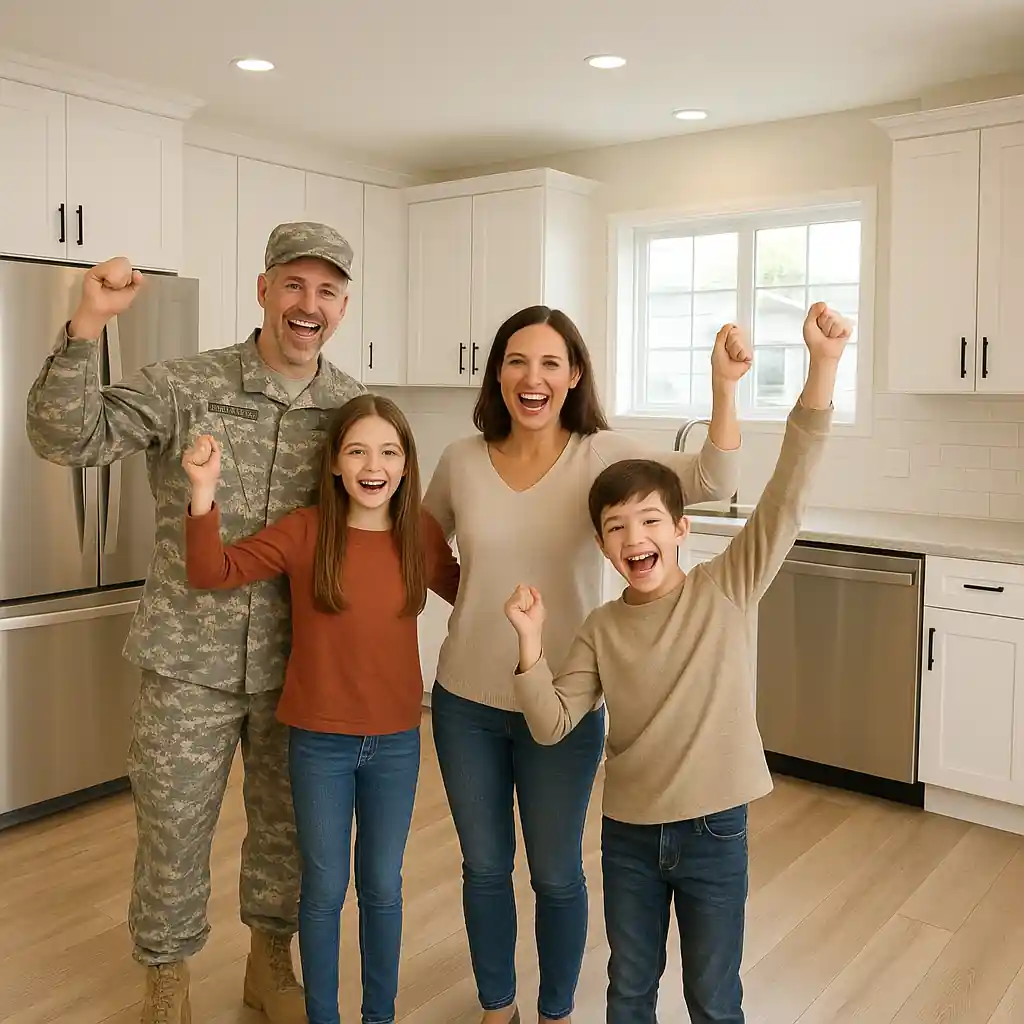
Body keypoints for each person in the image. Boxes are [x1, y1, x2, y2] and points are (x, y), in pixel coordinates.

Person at [25, 222, 365, 1024]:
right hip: (187, 660)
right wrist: (87, 328)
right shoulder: (185, 384)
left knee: (288, 831)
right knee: (173, 829)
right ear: (263, 290)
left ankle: (268, 967)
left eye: (325, 292)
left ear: (343, 308)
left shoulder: (352, 409)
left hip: (298, 664)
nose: (306, 305)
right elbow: (63, 435)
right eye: (293, 285)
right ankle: (166, 985)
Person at [502, 303, 850, 1024]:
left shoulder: (728, 586)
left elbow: (787, 495)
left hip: (715, 831)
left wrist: (822, 366)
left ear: (682, 530)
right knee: (629, 990)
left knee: (713, 998)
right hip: (629, 836)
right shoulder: (600, 629)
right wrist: (531, 644)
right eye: (616, 527)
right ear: (604, 547)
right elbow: (550, 724)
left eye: (651, 520)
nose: (635, 537)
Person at [422, 304, 748, 1024]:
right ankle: (497, 1009)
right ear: (497, 374)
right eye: (516, 361)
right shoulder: (461, 461)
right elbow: (421, 543)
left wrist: (722, 388)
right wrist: (471, 595)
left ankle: (556, 1013)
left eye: (549, 363)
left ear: (573, 376)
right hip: (464, 702)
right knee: (483, 869)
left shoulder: (600, 454)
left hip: (563, 707)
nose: (531, 378)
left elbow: (711, 480)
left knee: (556, 873)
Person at [181, 393, 460, 1024]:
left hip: (396, 741)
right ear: (334, 461)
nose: (374, 464)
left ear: (406, 464)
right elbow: (211, 570)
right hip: (319, 744)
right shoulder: (306, 531)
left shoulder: (420, 532)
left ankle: (379, 1016)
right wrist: (202, 490)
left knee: (383, 888)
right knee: (325, 890)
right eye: (357, 450)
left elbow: (473, 593)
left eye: (389, 452)